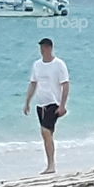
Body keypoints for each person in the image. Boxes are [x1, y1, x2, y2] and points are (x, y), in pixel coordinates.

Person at [23, 37, 70, 174]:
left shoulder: (59, 64)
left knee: (45, 131)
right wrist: (27, 102)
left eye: (44, 48)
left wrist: (62, 105)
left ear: (50, 48)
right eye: (40, 48)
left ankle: (51, 165)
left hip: (53, 103)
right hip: (41, 105)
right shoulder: (37, 65)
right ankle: (50, 163)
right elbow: (33, 83)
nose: (42, 51)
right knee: (47, 135)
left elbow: (65, 85)